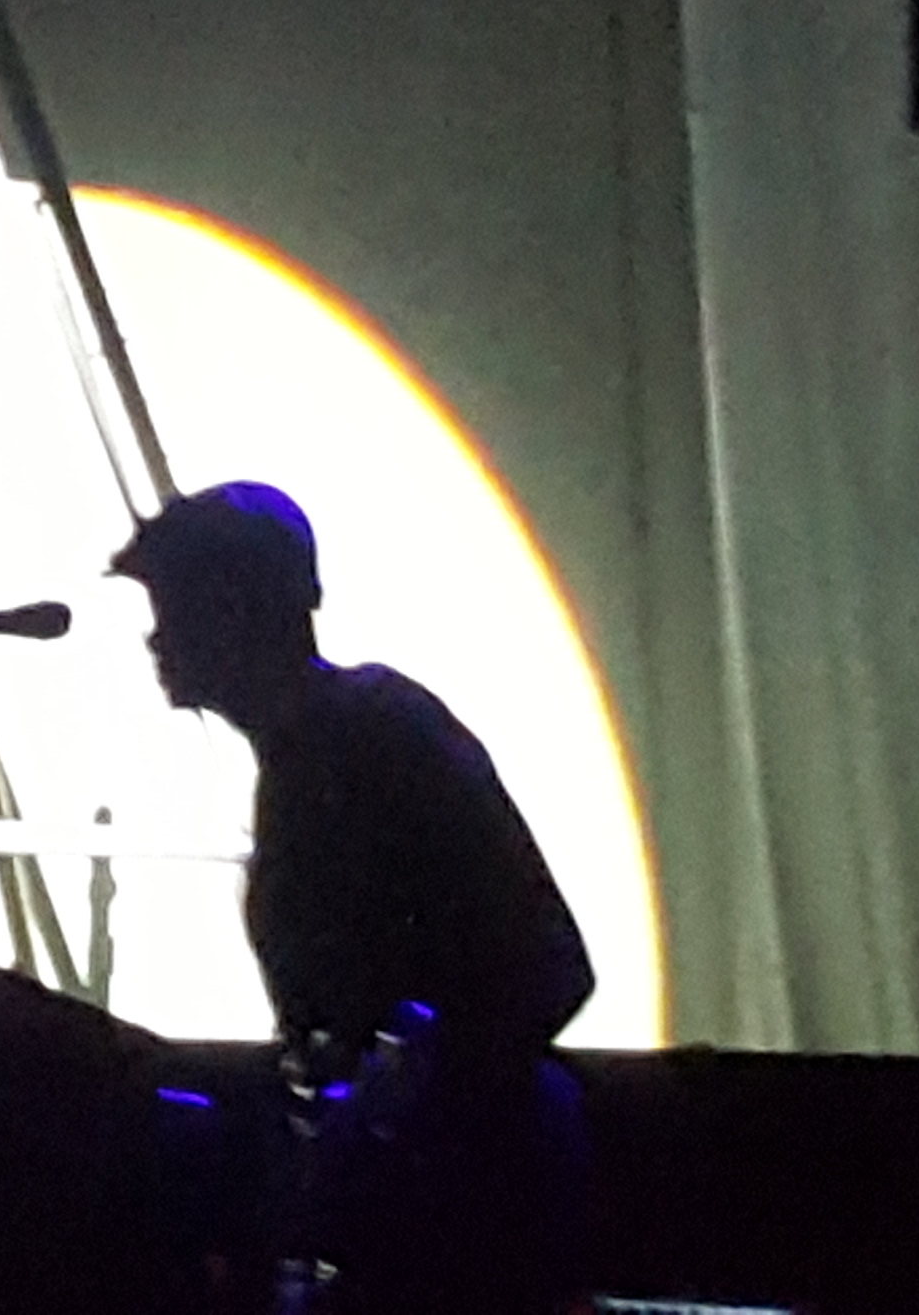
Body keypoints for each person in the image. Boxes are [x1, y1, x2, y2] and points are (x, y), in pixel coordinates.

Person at [114, 480, 589, 1315]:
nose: (158, 636)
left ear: (244, 607)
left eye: (177, 604)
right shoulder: (313, 755)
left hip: (468, 1217)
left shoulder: (379, 732)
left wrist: (393, 1100)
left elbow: (547, 964)